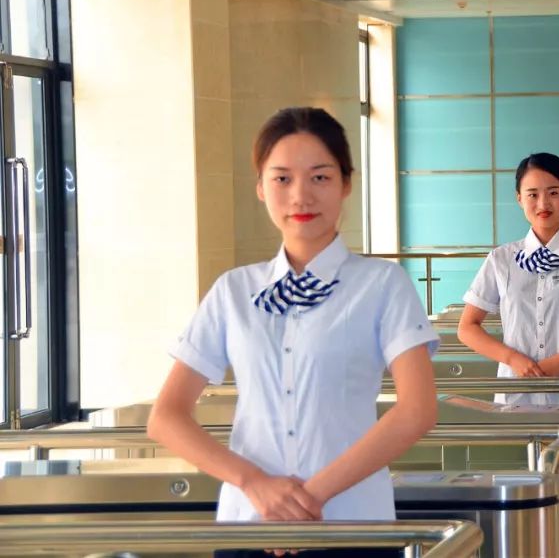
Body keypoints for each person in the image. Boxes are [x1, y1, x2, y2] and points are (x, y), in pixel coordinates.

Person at [148, 107, 439, 546]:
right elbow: (166, 417)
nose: (300, 196)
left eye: (320, 177)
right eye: (282, 178)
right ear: (260, 187)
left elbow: (417, 410)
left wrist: (307, 499)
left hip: (352, 523)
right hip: (249, 524)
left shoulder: (382, 284)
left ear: (346, 184)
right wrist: (255, 485)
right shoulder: (233, 290)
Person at [457, 152, 559, 405]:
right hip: (515, 390)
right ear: (519, 198)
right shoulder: (501, 259)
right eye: (533, 194)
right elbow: (467, 327)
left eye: (553, 193)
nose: (543, 203)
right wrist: (513, 359)